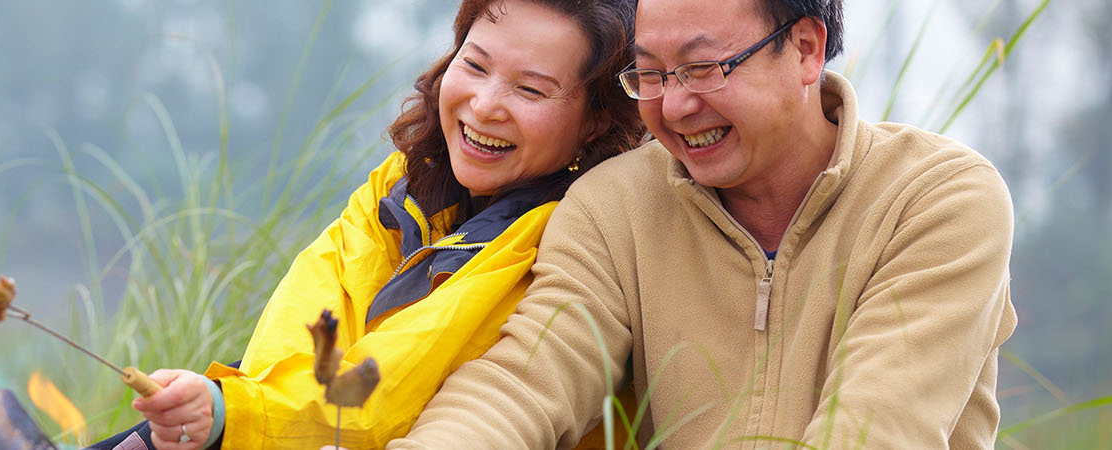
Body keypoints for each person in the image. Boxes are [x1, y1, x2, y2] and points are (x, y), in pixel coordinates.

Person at [389, 0, 1018, 448]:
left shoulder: (937, 199)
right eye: (653, 73)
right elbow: (526, 382)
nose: (676, 104)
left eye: (705, 66)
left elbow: (877, 430)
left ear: (806, 48)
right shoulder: (614, 206)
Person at [85, 0, 643, 448]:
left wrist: (235, 413)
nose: (485, 104)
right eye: (474, 65)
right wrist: (235, 406)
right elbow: (309, 319)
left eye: (531, 89)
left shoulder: (562, 235)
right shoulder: (407, 178)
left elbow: (395, 389)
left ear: (597, 119)